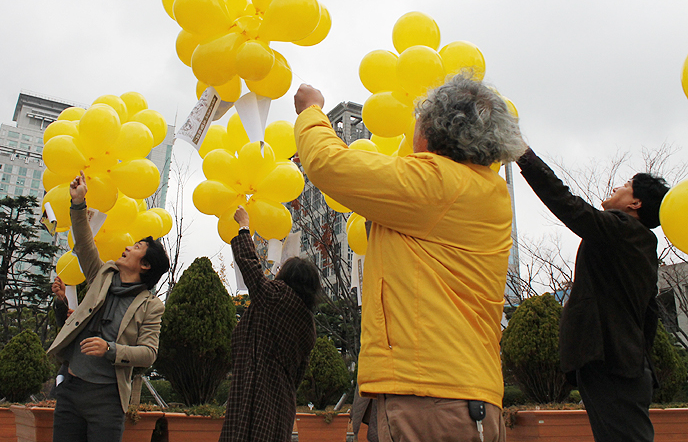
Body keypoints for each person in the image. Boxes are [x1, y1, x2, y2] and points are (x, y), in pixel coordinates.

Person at [294, 73, 526, 441]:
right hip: (457, 395)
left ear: (434, 129)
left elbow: (328, 164)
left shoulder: (436, 185)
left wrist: (311, 112)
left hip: (430, 399)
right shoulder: (484, 190)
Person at [516, 148, 669, 442]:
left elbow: (569, 206)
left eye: (625, 185)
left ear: (635, 203)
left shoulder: (625, 230)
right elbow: (649, 316)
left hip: (614, 367)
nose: (616, 187)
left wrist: (524, 156)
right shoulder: (641, 245)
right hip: (621, 367)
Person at [47, 171, 170, 442]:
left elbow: (149, 353)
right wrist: (78, 203)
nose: (127, 247)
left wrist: (110, 350)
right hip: (71, 386)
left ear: (146, 265)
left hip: (108, 399)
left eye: (136, 247)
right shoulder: (102, 275)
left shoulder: (151, 306)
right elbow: (83, 244)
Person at [219, 205, 322, 442]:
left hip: (255, 396)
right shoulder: (308, 323)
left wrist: (244, 227)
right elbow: (298, 373)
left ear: (286, 278)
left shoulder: (278, 296)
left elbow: (252, 270)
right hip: (282, 400)